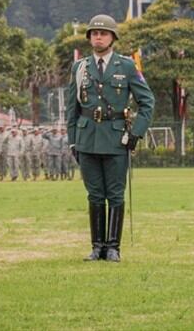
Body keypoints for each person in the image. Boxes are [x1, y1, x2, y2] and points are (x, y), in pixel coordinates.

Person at [67, 14, 154, 263]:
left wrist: (135, 133)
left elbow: (147, 102)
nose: (98, 37)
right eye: (94, 33)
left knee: (115, 193)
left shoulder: (126, 66)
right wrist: (72, 140)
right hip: (86, 138)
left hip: (117, 138)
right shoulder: (80, 67)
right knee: (94, 194)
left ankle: (113, 247)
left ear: (113, 38)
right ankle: (97, 247)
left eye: (103, 33)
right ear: (89, 38)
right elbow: (71, 108)